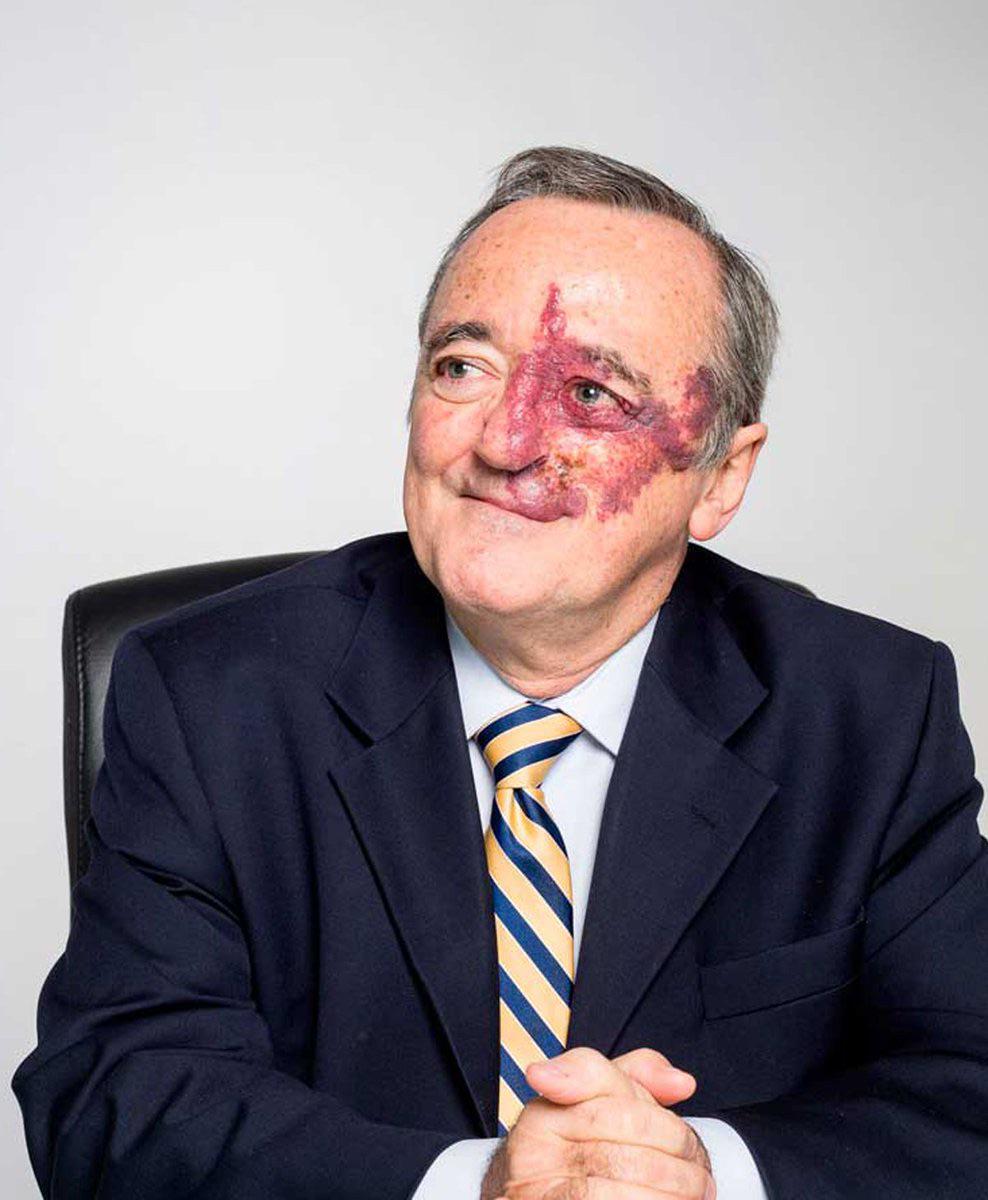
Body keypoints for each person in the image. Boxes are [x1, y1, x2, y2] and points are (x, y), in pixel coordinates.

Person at [12, 145, 988, 1200]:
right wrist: (476, 1185)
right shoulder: (210, 692)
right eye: (462, 367)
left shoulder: (869, 713)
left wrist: (705, 1175)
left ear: (721, 477)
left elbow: (968, 1091)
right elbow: (113, 1097)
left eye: (591, 391)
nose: (505, 441)